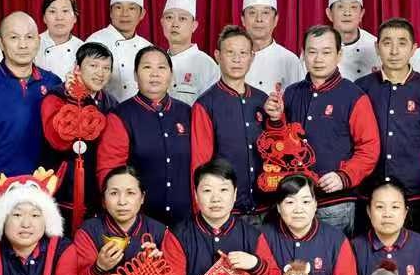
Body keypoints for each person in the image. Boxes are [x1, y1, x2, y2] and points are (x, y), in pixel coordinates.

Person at [264, 25, 380, 235]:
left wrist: (344, 176)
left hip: (335, 204)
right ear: (303, 55)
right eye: (312, 52)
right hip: (294, 201)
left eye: (326, 52)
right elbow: (279, 145)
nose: (318, 59)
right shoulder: (291, 93)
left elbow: (369, 149)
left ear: (339, 55)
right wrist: (275, 119)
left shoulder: (354, 96)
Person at [0, 11, 62, 227]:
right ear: (1, 42)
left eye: (29, 37)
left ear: (38, 41)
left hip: (42, 190)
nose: (23, 44)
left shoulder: (53, 83)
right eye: (14, 37)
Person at [356, 18, 420, 237]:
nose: (394, 51)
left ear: (414, 48)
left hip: (416, 192)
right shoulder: (361, 89)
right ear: (377, 47)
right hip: (370, 191)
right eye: (387, 43)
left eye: (402, 43)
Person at [96, 46, 191, 225]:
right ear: (135, 75)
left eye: (161, 67)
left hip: (185, 221)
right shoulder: (121, 116)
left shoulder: (187, 113)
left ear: (171, 75)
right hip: (138, 222)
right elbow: (109, 170)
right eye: (147, 67)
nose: (155, 74)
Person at [192, 25, 268, 219]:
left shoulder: (262, 100)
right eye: (230, 52)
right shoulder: (205, 104)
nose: (237, 59)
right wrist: (201, 211)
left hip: (266, 207)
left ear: (252, 57)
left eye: (243, 53)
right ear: (218, 55)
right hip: (226, 211)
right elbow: (200, 163)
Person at [41, 42, 117, 226]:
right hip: (64, 186)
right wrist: (75, 99)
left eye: (106, 68)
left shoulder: (111, 102)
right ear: (77, 67)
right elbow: (57, 140)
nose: (100, 73)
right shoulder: (57, 96)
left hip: (98, 186)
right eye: (93, 65)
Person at [86, 0, 152, 102]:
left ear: (142, 14)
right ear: (110, 12)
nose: (124, 14)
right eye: (118, 7)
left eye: (131, 8)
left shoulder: (148, 48)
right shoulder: (95, 42)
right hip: (103, 112)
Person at [241, 0, 305, 91]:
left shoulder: (290, 61)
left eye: (265, 13)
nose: (259, 19)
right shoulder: (232, 59)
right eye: (252, 13)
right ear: (243, 20)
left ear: (275, 20)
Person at [162, 0, 219, 105]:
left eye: (182, 18)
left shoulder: (207, 65)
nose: (175, 24)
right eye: (169, 17)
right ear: (162, 22)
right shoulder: (156, 61)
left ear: (194, 26)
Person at [324, 0, 380, 81]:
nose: (347, 13)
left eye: (353, 7)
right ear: (329, 14)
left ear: (361, 14)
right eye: (340, 7)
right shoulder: (317, 46)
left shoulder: (376, 46)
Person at [35, 0, 84, 81]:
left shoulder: (83, 49)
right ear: (44, 18)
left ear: (74, 18)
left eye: (65, 11)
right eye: (52, 11)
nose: (59, 17)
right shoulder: (33, 44)